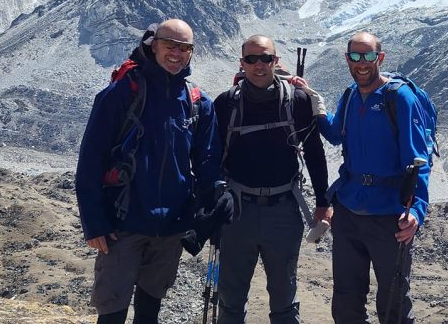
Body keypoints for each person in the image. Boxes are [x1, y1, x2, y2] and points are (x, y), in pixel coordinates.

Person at [75, 19, 222, 324]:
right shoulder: (122, 92)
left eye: (185, 48)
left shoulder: (198, 102)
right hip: (122, 223)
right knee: (112, 310)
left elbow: (208, 163)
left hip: (170, 227)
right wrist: (94, 222)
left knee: (150, 309)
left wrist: (210, 209)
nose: (177, 54)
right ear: (154, 46)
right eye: (171, 46)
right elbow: (91, 157)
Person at [307, 31, 431, 324]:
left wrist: (416, 211)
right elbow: (336, 135)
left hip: (390, 216)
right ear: (347, 59)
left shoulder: (399, 98)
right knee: (346, 300)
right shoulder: (350, 95)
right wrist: (316, 107)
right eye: (355, 56)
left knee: (393, 304)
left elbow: (418, 161)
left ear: (380, 58)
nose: (361, 63)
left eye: (368, 56)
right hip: (349, 211)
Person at [213, 34, 331, 324]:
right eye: (251, 59)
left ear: (275, 61)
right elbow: (211, 158)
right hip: (237, 210)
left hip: (283, 208)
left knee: (284, 296)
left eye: (265, 58)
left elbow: (315, 153)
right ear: (242, 63)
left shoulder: (299, 101)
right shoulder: (226, 104)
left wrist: (322, 202)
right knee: (230, 298)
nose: (258, 65)